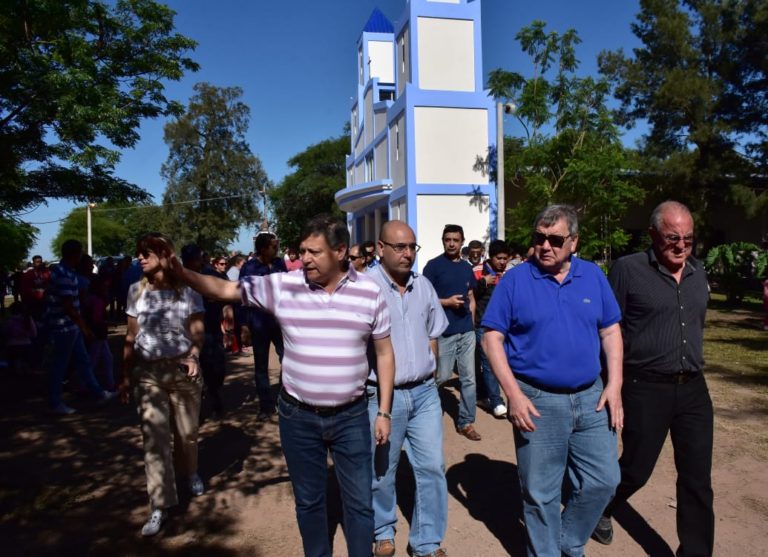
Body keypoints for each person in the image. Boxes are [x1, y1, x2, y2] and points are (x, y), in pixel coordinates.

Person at [170, 214, 395, 557]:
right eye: (302, 251)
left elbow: (384, 352)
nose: (304, 259)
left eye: (314, 252)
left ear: (340, 252)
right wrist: (182, 273)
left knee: (360, 503)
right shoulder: (284, 284)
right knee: (308, 502)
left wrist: (383, 411)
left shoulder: (370, 292)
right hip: (298, 418)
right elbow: (225, 289)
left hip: (351, 417)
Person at [481, 205, 624, 557]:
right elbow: (491, 338)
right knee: (541, 493)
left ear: (573, 242)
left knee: (604, 480)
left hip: (592, 397)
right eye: (539, 238)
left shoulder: (593, 275)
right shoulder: (515, 279)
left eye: (555, 239)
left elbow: (610, 331)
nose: (545, 246)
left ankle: (567, 544)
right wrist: (511, 393)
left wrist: (615, 384)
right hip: (537, 400)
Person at [592, 201, 714, 557]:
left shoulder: (698, 272)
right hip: (644, 387)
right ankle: (601, 506)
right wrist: (609, 384)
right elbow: (608, 329)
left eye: (688, 239)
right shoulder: (628, 270)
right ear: (653, 234)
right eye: (672, 238)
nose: (681, 246)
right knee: (636, 468)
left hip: (693, 387)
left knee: (697, 479)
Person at [367, 221, 449, 557]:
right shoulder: (364, 287)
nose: (407, 254)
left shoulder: (424, 286)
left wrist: (428, 367)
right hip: (381, 395)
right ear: (379, 248)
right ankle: (383, 531)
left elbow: (434, 331)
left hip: (425, 394)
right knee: (382, 470)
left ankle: (426, 542)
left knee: (432, 467)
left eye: (412, 247)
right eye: (399, 247)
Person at [119, 233, 206, 537]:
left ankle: (191, 471)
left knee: (187, 434)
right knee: (154, 440)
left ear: (165, 255)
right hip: (148, 374)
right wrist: (126, 376)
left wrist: (194, 355)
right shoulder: (135, 291)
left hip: (183, 371)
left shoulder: (189, 290)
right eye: (139, 253)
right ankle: (160, 504)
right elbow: (131, 337)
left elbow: (197, 332)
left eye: (147, 253)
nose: (140, 258)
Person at [423, 224, 481, 441]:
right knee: (442, 376)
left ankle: (466, 422)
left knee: (469, 379)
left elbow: (471, 296)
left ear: (462, 241)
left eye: (455, 240)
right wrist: (446, 302)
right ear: (443, 240)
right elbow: (425, 299)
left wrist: (472, 322)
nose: (451, 243)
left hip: (466, 331)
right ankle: (428, 416)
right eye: (448, 239)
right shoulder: (433, 266)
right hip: (444, 333)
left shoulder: (466, 268)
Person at [46, 240, 116, 414]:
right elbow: (68, 306)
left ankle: (99, 393)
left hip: (70, 326)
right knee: (60, 365)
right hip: (64, 326)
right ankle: (55, 403)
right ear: (75, 255)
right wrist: (84, 327)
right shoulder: (63, 274)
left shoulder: (67, 272)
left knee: (83, 361)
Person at [239, 231, 287, 419]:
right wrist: (243, 325)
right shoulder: (249, 268)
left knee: (288, 359)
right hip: (258, 324)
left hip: (280, 322)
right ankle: (266, 406)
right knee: (261, 366)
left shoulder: (279, 264)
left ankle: (285, 399)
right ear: (262, 248)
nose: (277, 249)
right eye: (273, 246)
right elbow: (241, 297)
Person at [473, 239, 510, 418]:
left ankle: (485, 395)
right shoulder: (478, 272)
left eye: (505, 258)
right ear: (491, 257)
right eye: (499, 258)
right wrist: (483, 283)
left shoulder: (509, 273)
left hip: (505, 326)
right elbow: (470, 296)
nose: (502, 262)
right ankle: (496, 401)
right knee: (488, 363)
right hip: (483, 325)